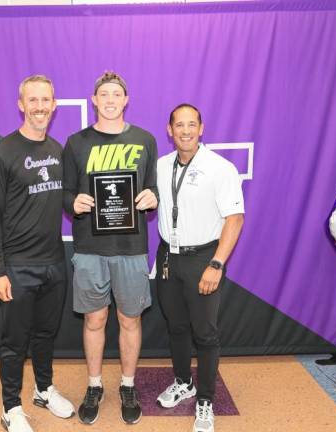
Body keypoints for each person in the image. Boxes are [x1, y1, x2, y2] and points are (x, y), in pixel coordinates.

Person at [62, 71, 158, 425]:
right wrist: (75, 202)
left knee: (129, 319)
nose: (111, 99)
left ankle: (128, 385)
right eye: (104, 94)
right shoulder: (76, 142)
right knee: (94, 318)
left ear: (126, 99)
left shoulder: (145, 140)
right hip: (89, 246)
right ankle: (94, 385)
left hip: (132, 247)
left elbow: (152, 189)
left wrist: (152, 198)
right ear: (94, 100)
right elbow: (66, 194)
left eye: (117, 93)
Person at [0, 74, 75, 432]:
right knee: (14, 343)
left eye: (45, 100)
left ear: (54, 105)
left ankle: (43, 389)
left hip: (54, 263)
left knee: (46, 335)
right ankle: (10, 408)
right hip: (17, 267)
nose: (39, 107)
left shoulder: (56, 150)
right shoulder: (2, 154)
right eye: (32, 100)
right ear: (21, 104)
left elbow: (65, 199)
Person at [155, 104, 244, 432]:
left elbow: (235, 219)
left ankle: (205, 399)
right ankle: (183, 382)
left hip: (203, 258)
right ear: (170, 129)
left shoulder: (220, 168)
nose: (186, 131)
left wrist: (216, 264)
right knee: (176, 326)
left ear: (201, 128)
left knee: (205, 333)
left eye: (192, 124)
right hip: (168, 257)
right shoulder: (161, 166)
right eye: (179, 125)